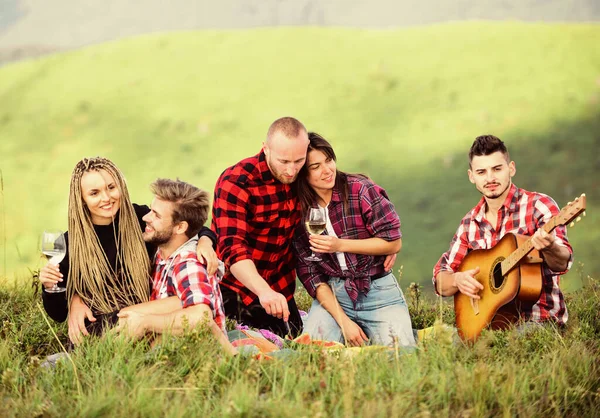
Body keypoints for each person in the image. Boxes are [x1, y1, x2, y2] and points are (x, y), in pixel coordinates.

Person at [39, 157, 218, 345]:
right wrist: (52, 289)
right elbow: (58, 315)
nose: (106, 198)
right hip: (101, 326)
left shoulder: (139, 217)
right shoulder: (69, 244)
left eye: (111, 187)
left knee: (181, 303)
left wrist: (205, 241)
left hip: (150, 318)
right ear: (81, 199)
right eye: (94, 193)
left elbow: (185, 224)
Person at [433, 135, 572, 326]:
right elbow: (441, 279)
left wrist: (549, 248)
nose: (490, 178)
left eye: (497, 169)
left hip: (540, 321)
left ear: (511, 168)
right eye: (481, 172)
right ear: (471, 176)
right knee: (442, 344)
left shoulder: (540, 206)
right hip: (487, 326)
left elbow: (562, 263)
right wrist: (457, 279)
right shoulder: (469, 224)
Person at [292, 132, 415, 347]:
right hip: (334, 295)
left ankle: (397, 331)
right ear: (303, 174)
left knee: (401, 356)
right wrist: (344, 322)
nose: (327, 170)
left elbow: (393, 242)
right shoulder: (299, 210)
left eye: (329, 160)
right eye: (316, 166)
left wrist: (339, 245)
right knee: (311, 354)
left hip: (378, 291)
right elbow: (311, 275)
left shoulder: (360, 190)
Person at [211, 117, 310, 338]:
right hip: (235, 287)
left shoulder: (304, 174)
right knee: (262, 345)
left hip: (279, 284)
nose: (291, 171)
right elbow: (232, 248)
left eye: (298, 161)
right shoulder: (237, 182)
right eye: (283, 161)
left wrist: (384, 237)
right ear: (265, 149)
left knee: (299, 339)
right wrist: (264, 292)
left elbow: (337, 185)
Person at [115, 179, 236, 355]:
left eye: (156, 215)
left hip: (198, 359)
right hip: (171, 352)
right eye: (150, 210)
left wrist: (146, 322)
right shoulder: (162, 250)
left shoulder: (188, 263)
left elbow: (202, 317)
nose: (145, 218)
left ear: (180, 227)